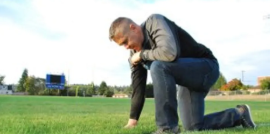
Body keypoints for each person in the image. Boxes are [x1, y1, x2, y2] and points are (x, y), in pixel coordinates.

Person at [108, 14, 256, 134]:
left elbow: (169, 53)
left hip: (206, 67)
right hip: (187, 81)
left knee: (159, 66)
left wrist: (142, 55)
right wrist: (132, 121)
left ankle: (167, 129)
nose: (126, 47)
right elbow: (138, 87)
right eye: (123, 45)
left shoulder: (155, 22)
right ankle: (239, 114)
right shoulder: (135, 52)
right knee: (193, 126)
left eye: (126, 41)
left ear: (133, 28)